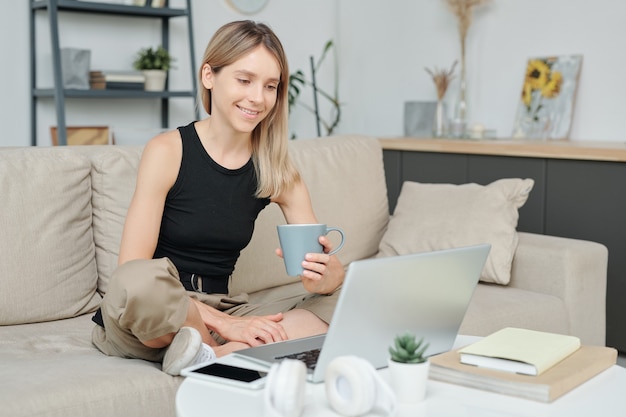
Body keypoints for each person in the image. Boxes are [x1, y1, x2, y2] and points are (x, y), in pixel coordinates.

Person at [91, 20, 345, 375]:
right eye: (245, 80)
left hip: (222, 306)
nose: (258, 98)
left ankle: (207, 354)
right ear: (209, 75)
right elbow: (130, 270)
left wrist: (329, 276)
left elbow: (318, 276)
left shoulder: (277, 171)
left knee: (342, 307)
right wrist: (227, 327)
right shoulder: (167, 151)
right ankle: (222, 347)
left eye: (270, 86)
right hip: (155, 313)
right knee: (138, 281)